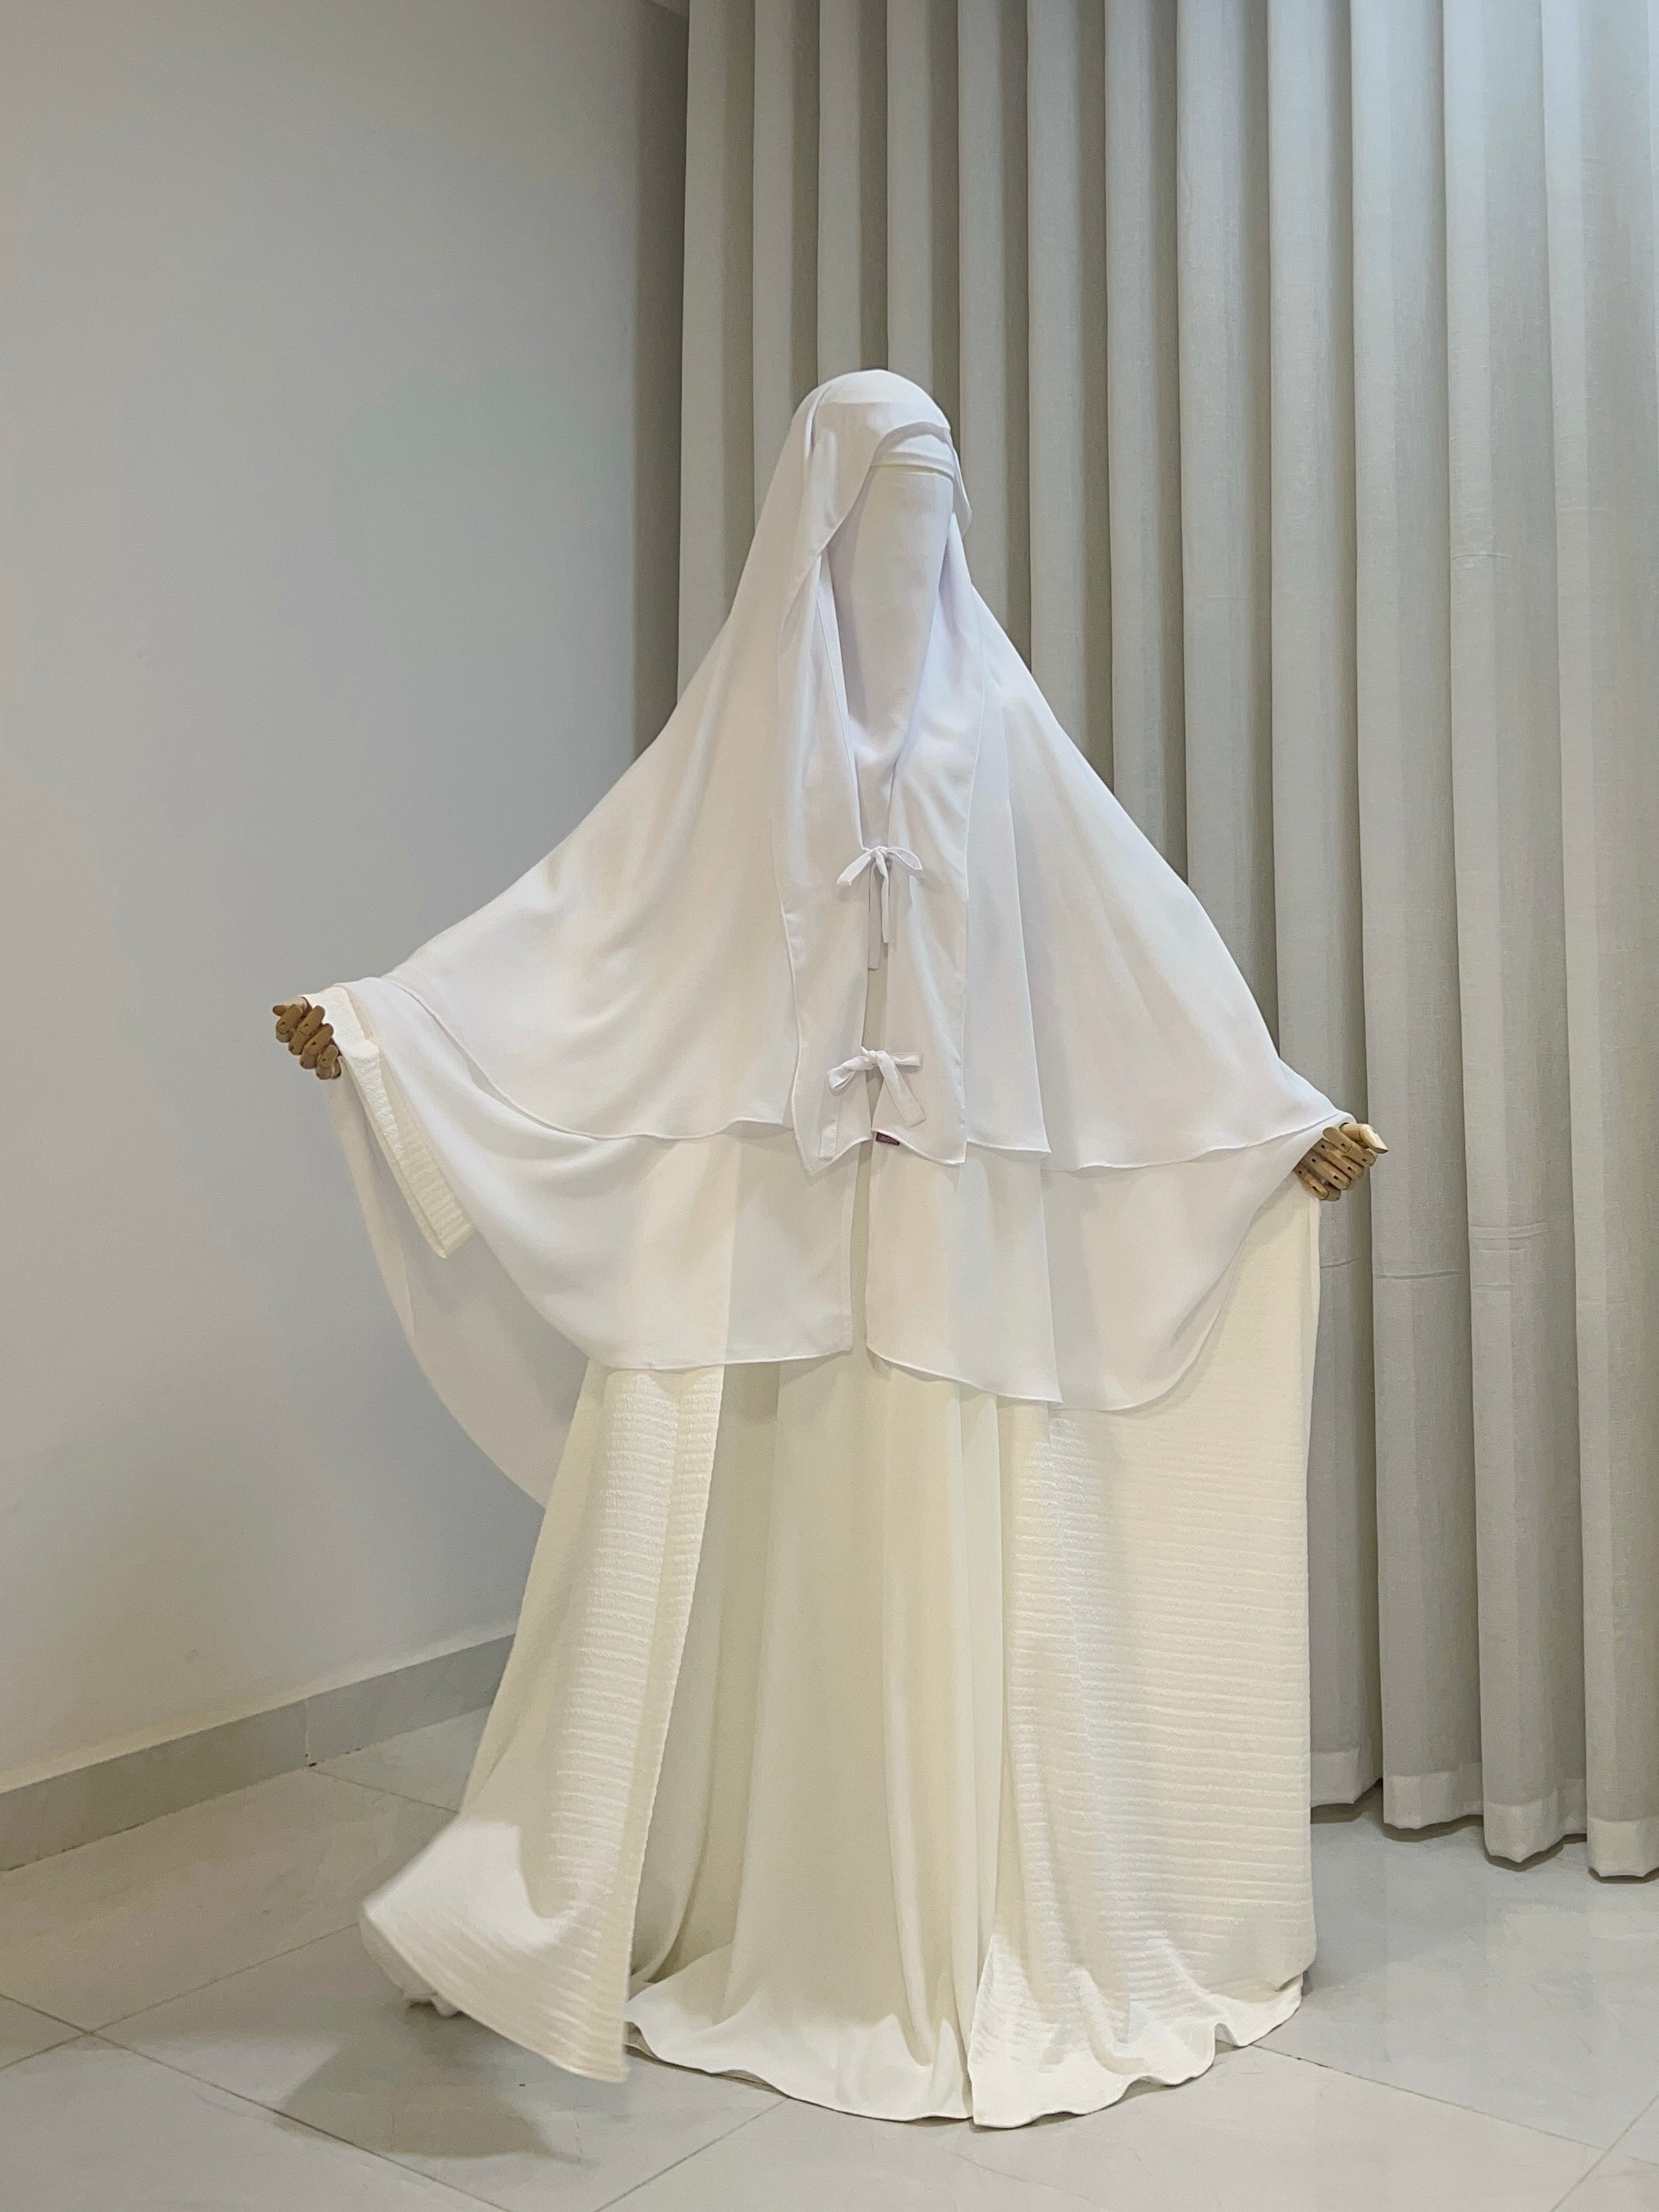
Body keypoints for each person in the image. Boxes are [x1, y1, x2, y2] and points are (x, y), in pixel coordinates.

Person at [273, 371, 1382, 2126]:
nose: (909, 552)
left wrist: (1265, 1116)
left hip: (948, 1248)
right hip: (761, 1247)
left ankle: (928, 1929)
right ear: (821, 523)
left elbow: (1130, 940)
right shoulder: (740, 744)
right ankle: (722, 1901)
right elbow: (588, 920)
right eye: (884, 511)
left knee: (937, 1556)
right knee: (742, 1561)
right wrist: (392, 1024)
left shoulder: (999, 729)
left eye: (936, 514)